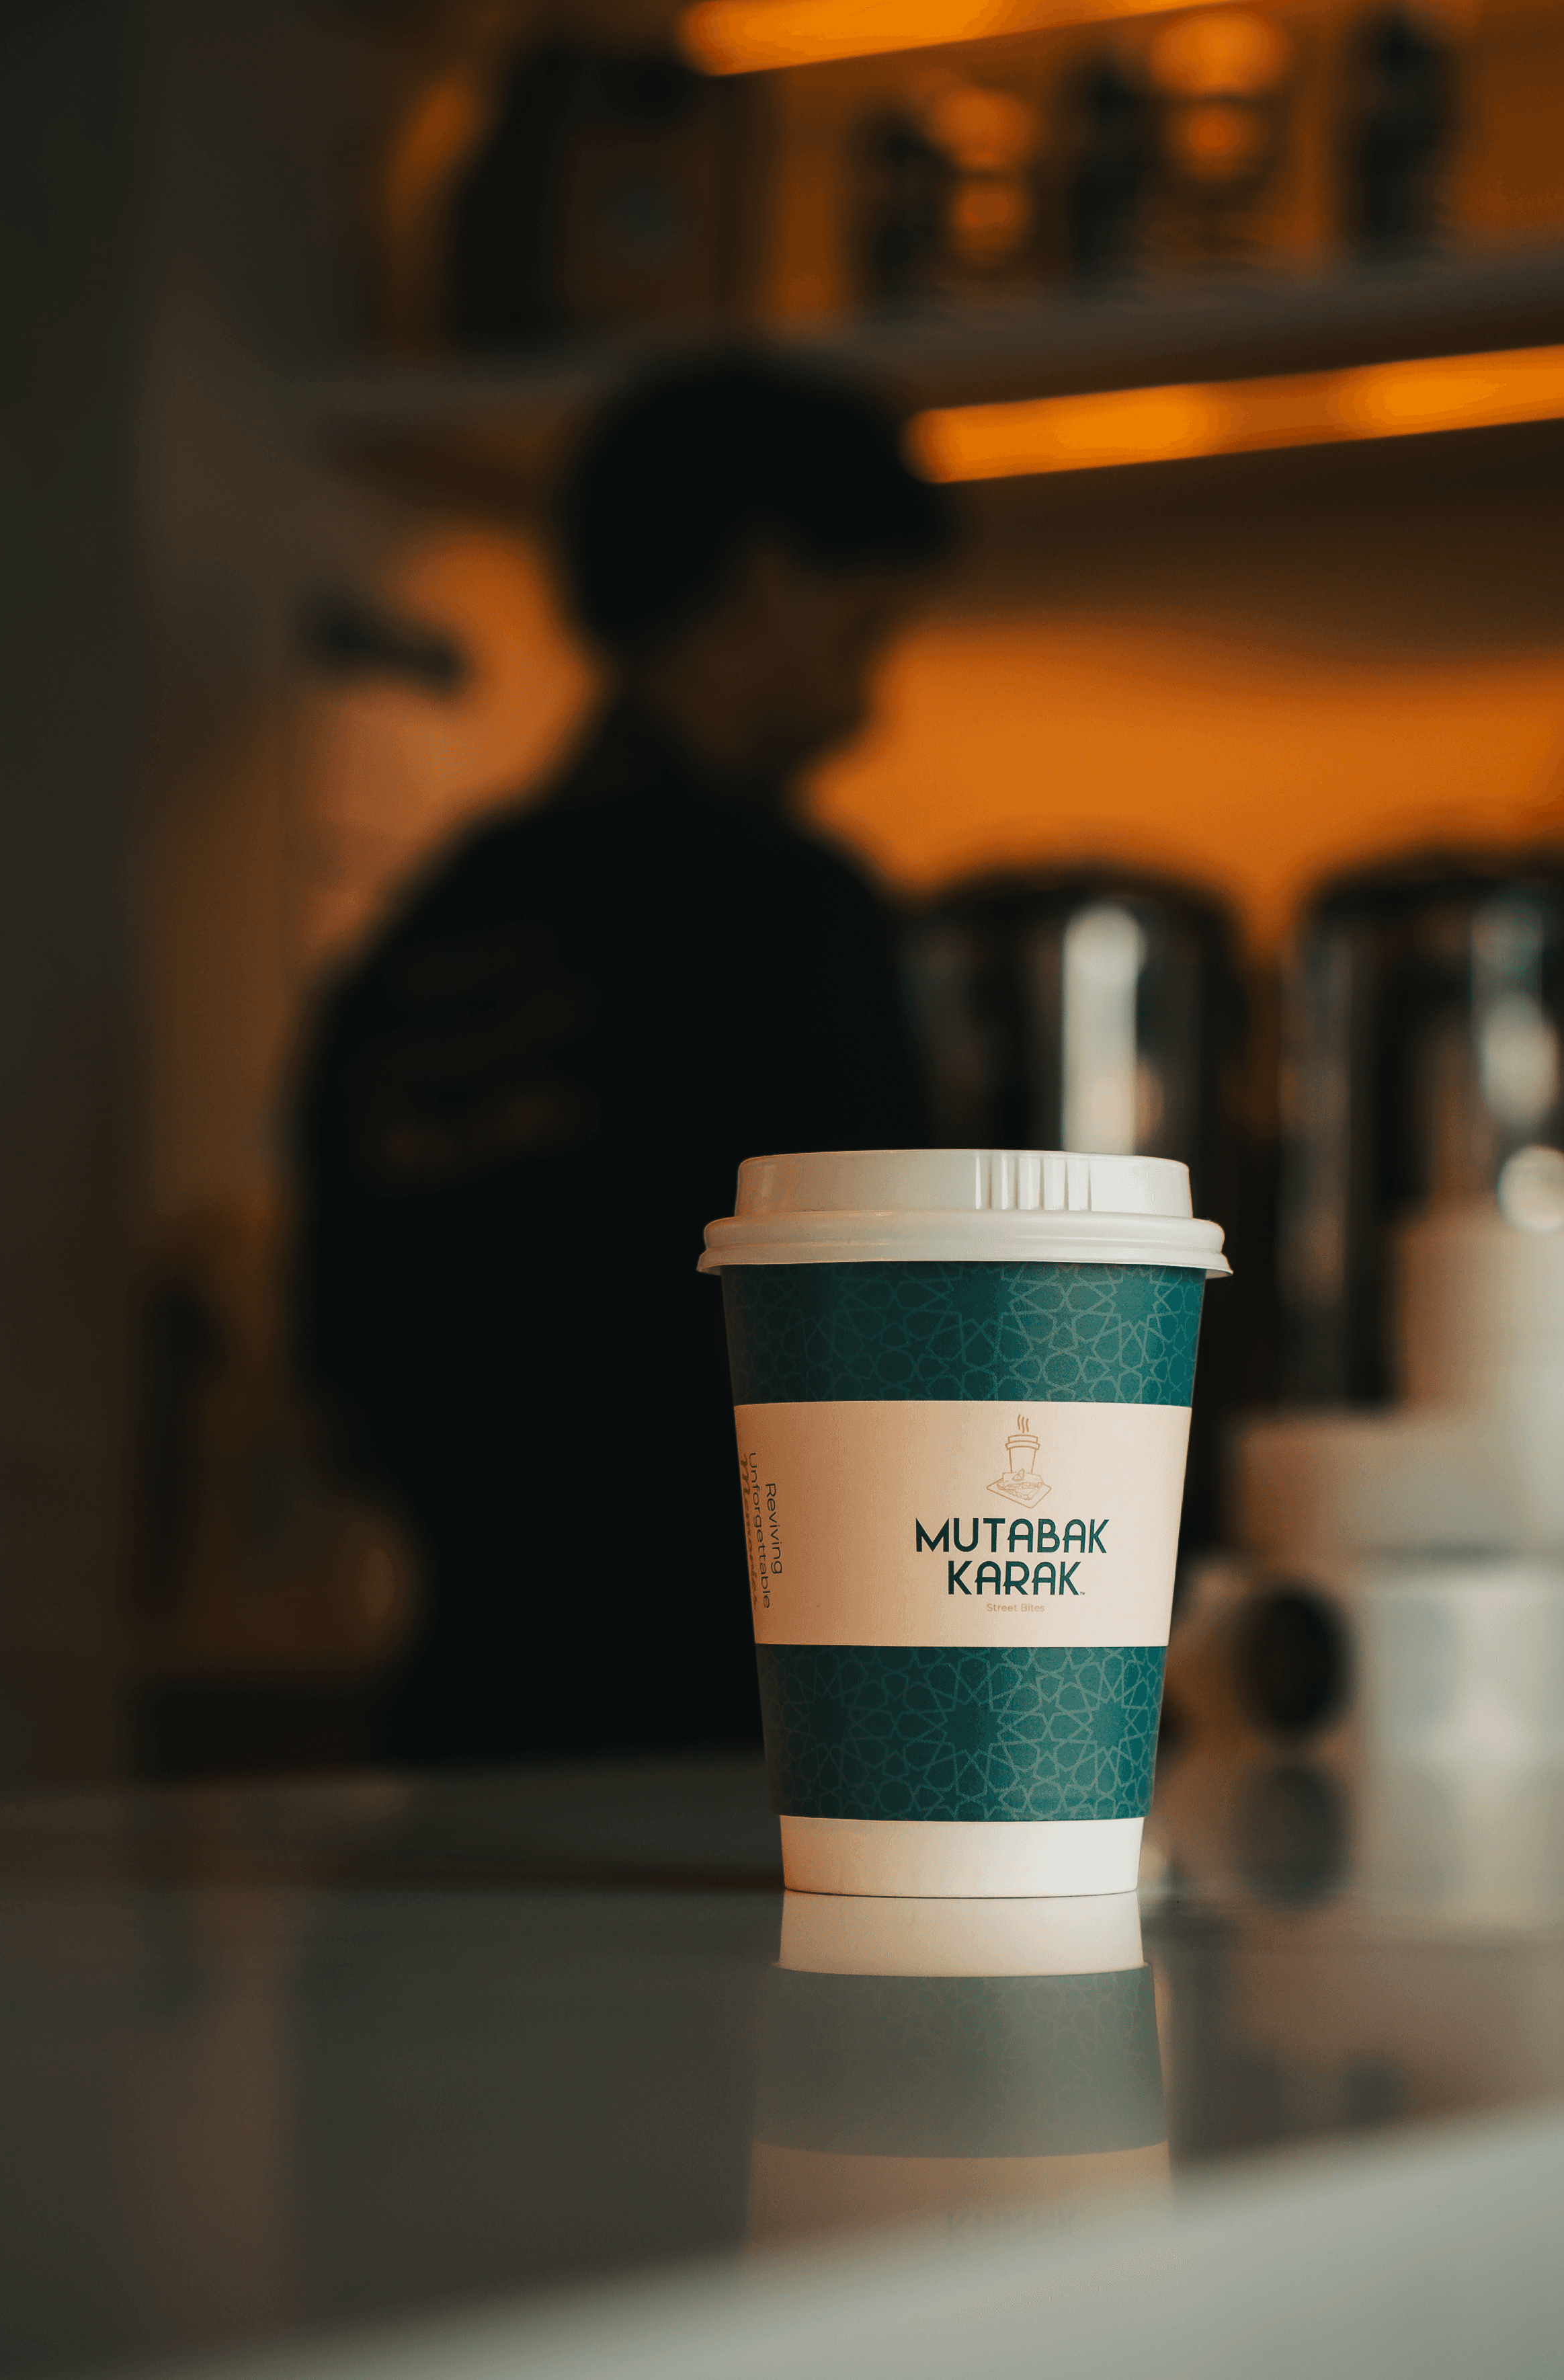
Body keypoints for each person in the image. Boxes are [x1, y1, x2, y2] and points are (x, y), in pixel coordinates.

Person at [291, 353, 954, 1763]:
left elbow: (337, 1371)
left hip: (455, 1722)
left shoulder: (425, 931)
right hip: (729, 1735)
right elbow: (890, 1349)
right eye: (868, 630)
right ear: (766, 577)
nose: (869, 702)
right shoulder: (785, 910)